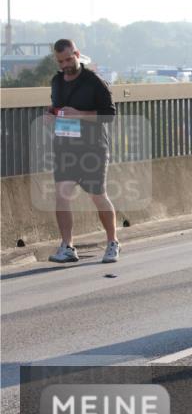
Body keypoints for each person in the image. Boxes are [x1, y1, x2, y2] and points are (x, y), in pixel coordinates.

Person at [45, 39, 120, 264]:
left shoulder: (94, 81)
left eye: (69, 59)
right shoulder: (57, 81)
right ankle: (67, 247)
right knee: (62, 195)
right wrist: (51, 115)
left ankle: (112, 242)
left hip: (92, 148)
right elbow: (57, 107)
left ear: (77, 53)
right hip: (65, 147)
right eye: (60, 62)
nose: (65, 65)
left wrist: (78, 114)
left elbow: (109, 115)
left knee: (98, 196)